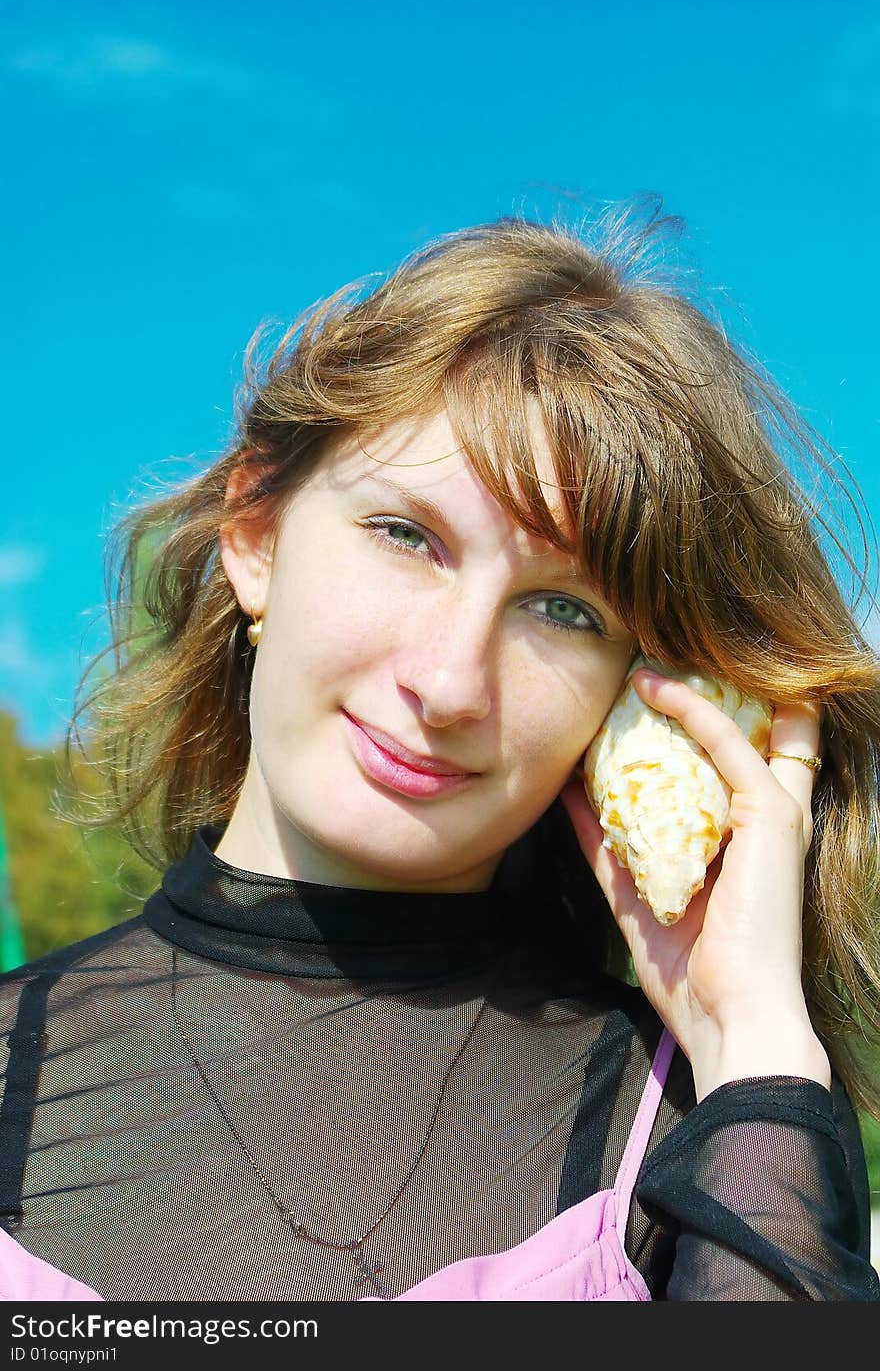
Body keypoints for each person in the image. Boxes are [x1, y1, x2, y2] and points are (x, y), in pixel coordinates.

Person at [1, 204, 879, 1302]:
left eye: (563, 609)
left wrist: (754, 1043)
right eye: (407, 536)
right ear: (256, 532)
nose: (451, 682)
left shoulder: (689, 1127)